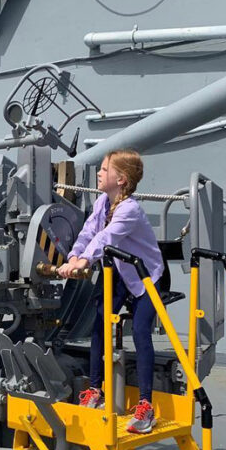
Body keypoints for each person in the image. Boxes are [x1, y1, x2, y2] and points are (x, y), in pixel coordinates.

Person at [56, 150, 164, 433]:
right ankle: (94, 390)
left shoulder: (130, 209)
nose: (99, 173)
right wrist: (74, 256)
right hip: (119, 271)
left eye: (105, 169)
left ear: (122, 179)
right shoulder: (103, 202)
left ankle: (146, 407)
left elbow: (107, 238)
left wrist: (84, 261)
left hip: (145, 276)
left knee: (140, 331)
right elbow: (89, 233)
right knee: (100, 323)